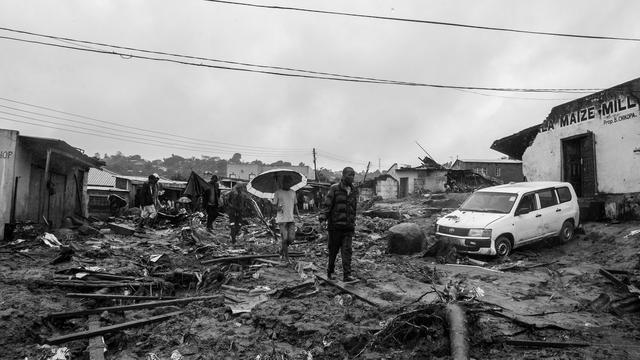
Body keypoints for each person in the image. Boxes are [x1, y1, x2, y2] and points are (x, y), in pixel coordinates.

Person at [319, 167, 358, 282]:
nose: (351, 177)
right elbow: (327, 206)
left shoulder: (354, 190)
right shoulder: (334, 189)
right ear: (343, 175)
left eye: (353, 175)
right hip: (335, 227)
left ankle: (347, 275)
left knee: (347, 251)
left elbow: (353, 208)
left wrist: (353, 222)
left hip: (348, 227)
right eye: (349, 175)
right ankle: (330, 271)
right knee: (333, 251)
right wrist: (322, 218)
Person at [272, 177, 299, 263]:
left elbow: (295, 205)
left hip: (291, 219)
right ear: (283, 183)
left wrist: (298, 215)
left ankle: (282, 250)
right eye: (287, 182)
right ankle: (286, 258)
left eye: (290, 183)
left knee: (291, 239)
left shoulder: (293, 192)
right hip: (282, 219)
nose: (288, 184)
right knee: (284, 239)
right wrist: (278, 208)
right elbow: (274, 206)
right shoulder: (277, 192)